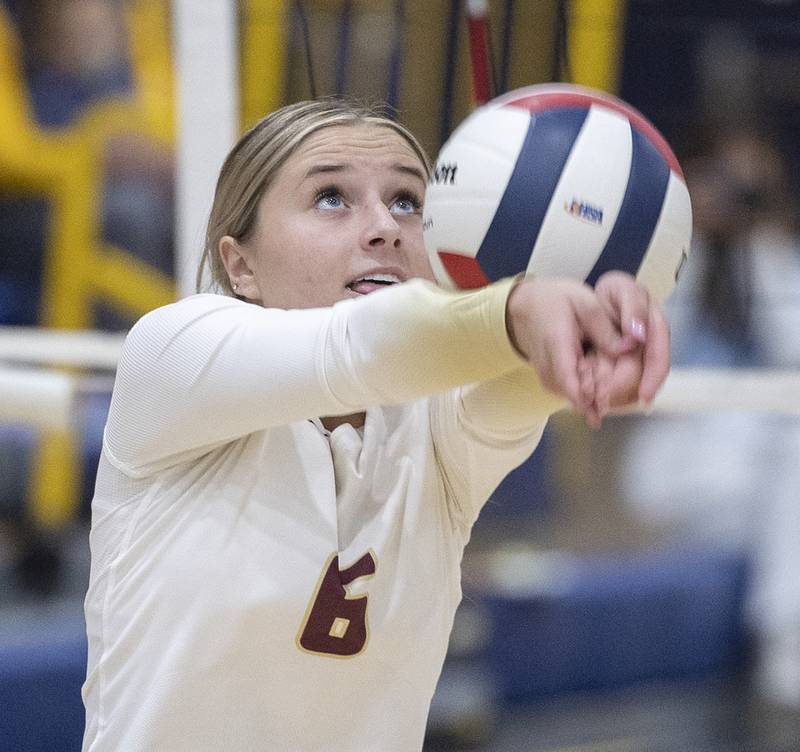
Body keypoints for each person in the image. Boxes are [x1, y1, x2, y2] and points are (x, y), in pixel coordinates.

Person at [81, 98, 669, 751]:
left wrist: (603, 329)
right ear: (239, 265)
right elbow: (366, 346)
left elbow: (515, 378)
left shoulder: (439, 424)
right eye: (331, 197)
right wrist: (520, 309)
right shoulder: (173, 354)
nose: (384, 227)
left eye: (409, 202)